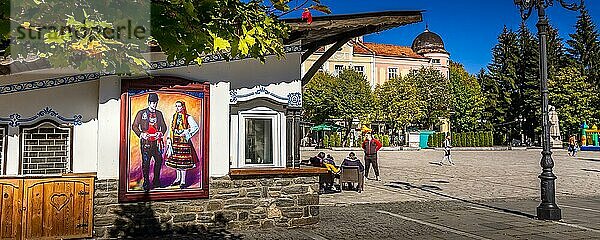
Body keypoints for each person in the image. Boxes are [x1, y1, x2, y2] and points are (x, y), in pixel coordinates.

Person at [132, 93, 167, 191]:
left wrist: (161, 133)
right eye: (152, 103)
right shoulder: (141, 113)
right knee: (146, 163)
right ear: (148, 103)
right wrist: (141, 134)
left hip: (157, 143)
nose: (154, 105)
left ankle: (156, 181)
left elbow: (164, 127)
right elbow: (134, 126)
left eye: (155, 103)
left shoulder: (159, 114)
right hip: (146, 143)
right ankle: (146, 182)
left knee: (159, 161)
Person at [165, 100, 199, 188]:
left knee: (183, 162)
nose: (177, 108)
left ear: (183, 107)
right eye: (176, 106)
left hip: (183, 142)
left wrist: (187, 132)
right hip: (175, 141)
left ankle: (183, 181)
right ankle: (178, 179)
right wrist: (169, 138)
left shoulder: (188, 117)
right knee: (176, 161)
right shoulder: (174, 117)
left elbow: (195, 127)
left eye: (179, 106)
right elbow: (171, 129)